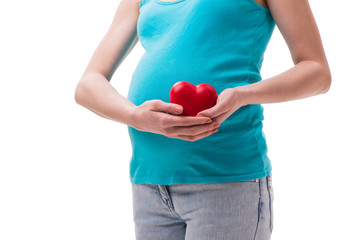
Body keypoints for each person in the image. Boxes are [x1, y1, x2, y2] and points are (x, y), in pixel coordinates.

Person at [74, 0, 331, 239]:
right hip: (149, 184)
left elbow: (317, 71)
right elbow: (88, 84)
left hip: (225, 184)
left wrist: (242, 95)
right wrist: (135, 116)